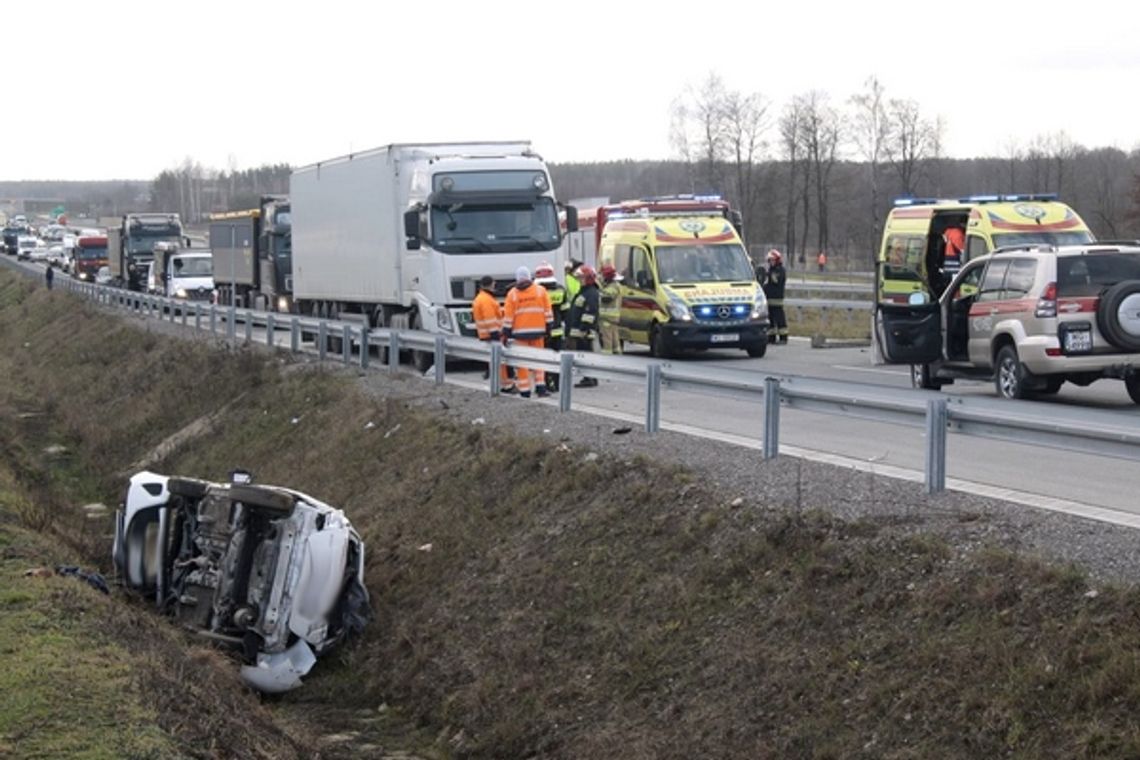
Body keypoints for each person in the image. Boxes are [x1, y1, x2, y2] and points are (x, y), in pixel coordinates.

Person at [501, 265, 554, 398]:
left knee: (522, 363)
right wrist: (549, 328)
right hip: (538, 332)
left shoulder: (512, 294)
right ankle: (541, 387)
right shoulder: (541, 291)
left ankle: (525, 390)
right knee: (539, 360)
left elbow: (508, 317)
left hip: (520, 335)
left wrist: (506, 333)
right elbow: (548, 311)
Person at [472, 275, 515, 393]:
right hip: (491, 335)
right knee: (500, 362)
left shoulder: (482, 298)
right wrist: (496, 334)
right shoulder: (486, 300)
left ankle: (500, 384)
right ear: (492, 284)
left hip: (487, 335)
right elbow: (490, 318)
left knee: (495, 361)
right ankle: (505, 385)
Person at [534, 261, 566, 391]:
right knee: (557, 359)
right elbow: (565, 310)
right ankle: (557, 385)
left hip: (542, 330)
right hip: (557, 330)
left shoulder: (536, 291)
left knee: (544, 359)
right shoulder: (560, 289)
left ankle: (547, 383)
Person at [567, 264, 600, 387]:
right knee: (584, 355)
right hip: (580, 331)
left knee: (587, 355)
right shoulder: (584, 292)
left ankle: (590, 378)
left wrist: (584, 328)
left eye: (582, 278)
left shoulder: (591, 293)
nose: (580, 280)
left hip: (585, 332)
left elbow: (590, 312)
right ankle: (588, 377)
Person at [762, 249, 788, 344]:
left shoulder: (780, 270)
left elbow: (776, 280)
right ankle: (771, 337)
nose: (771, 262)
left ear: (777, 260)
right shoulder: (770, 270)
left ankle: (783, 338)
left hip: (777, 300)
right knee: (770, 319)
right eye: (769, 260)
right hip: (769, 300)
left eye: (772, 260)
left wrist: (768, 274)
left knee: (780, 319)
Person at [598, 262, 623, 355]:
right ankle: (617, 356)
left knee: (607, 340)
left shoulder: (614, 286)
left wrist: (599, 286)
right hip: (612, 318)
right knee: (614, 340)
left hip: (607, 318)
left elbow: (606, 297)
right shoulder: (614, 285)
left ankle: (607, 358)